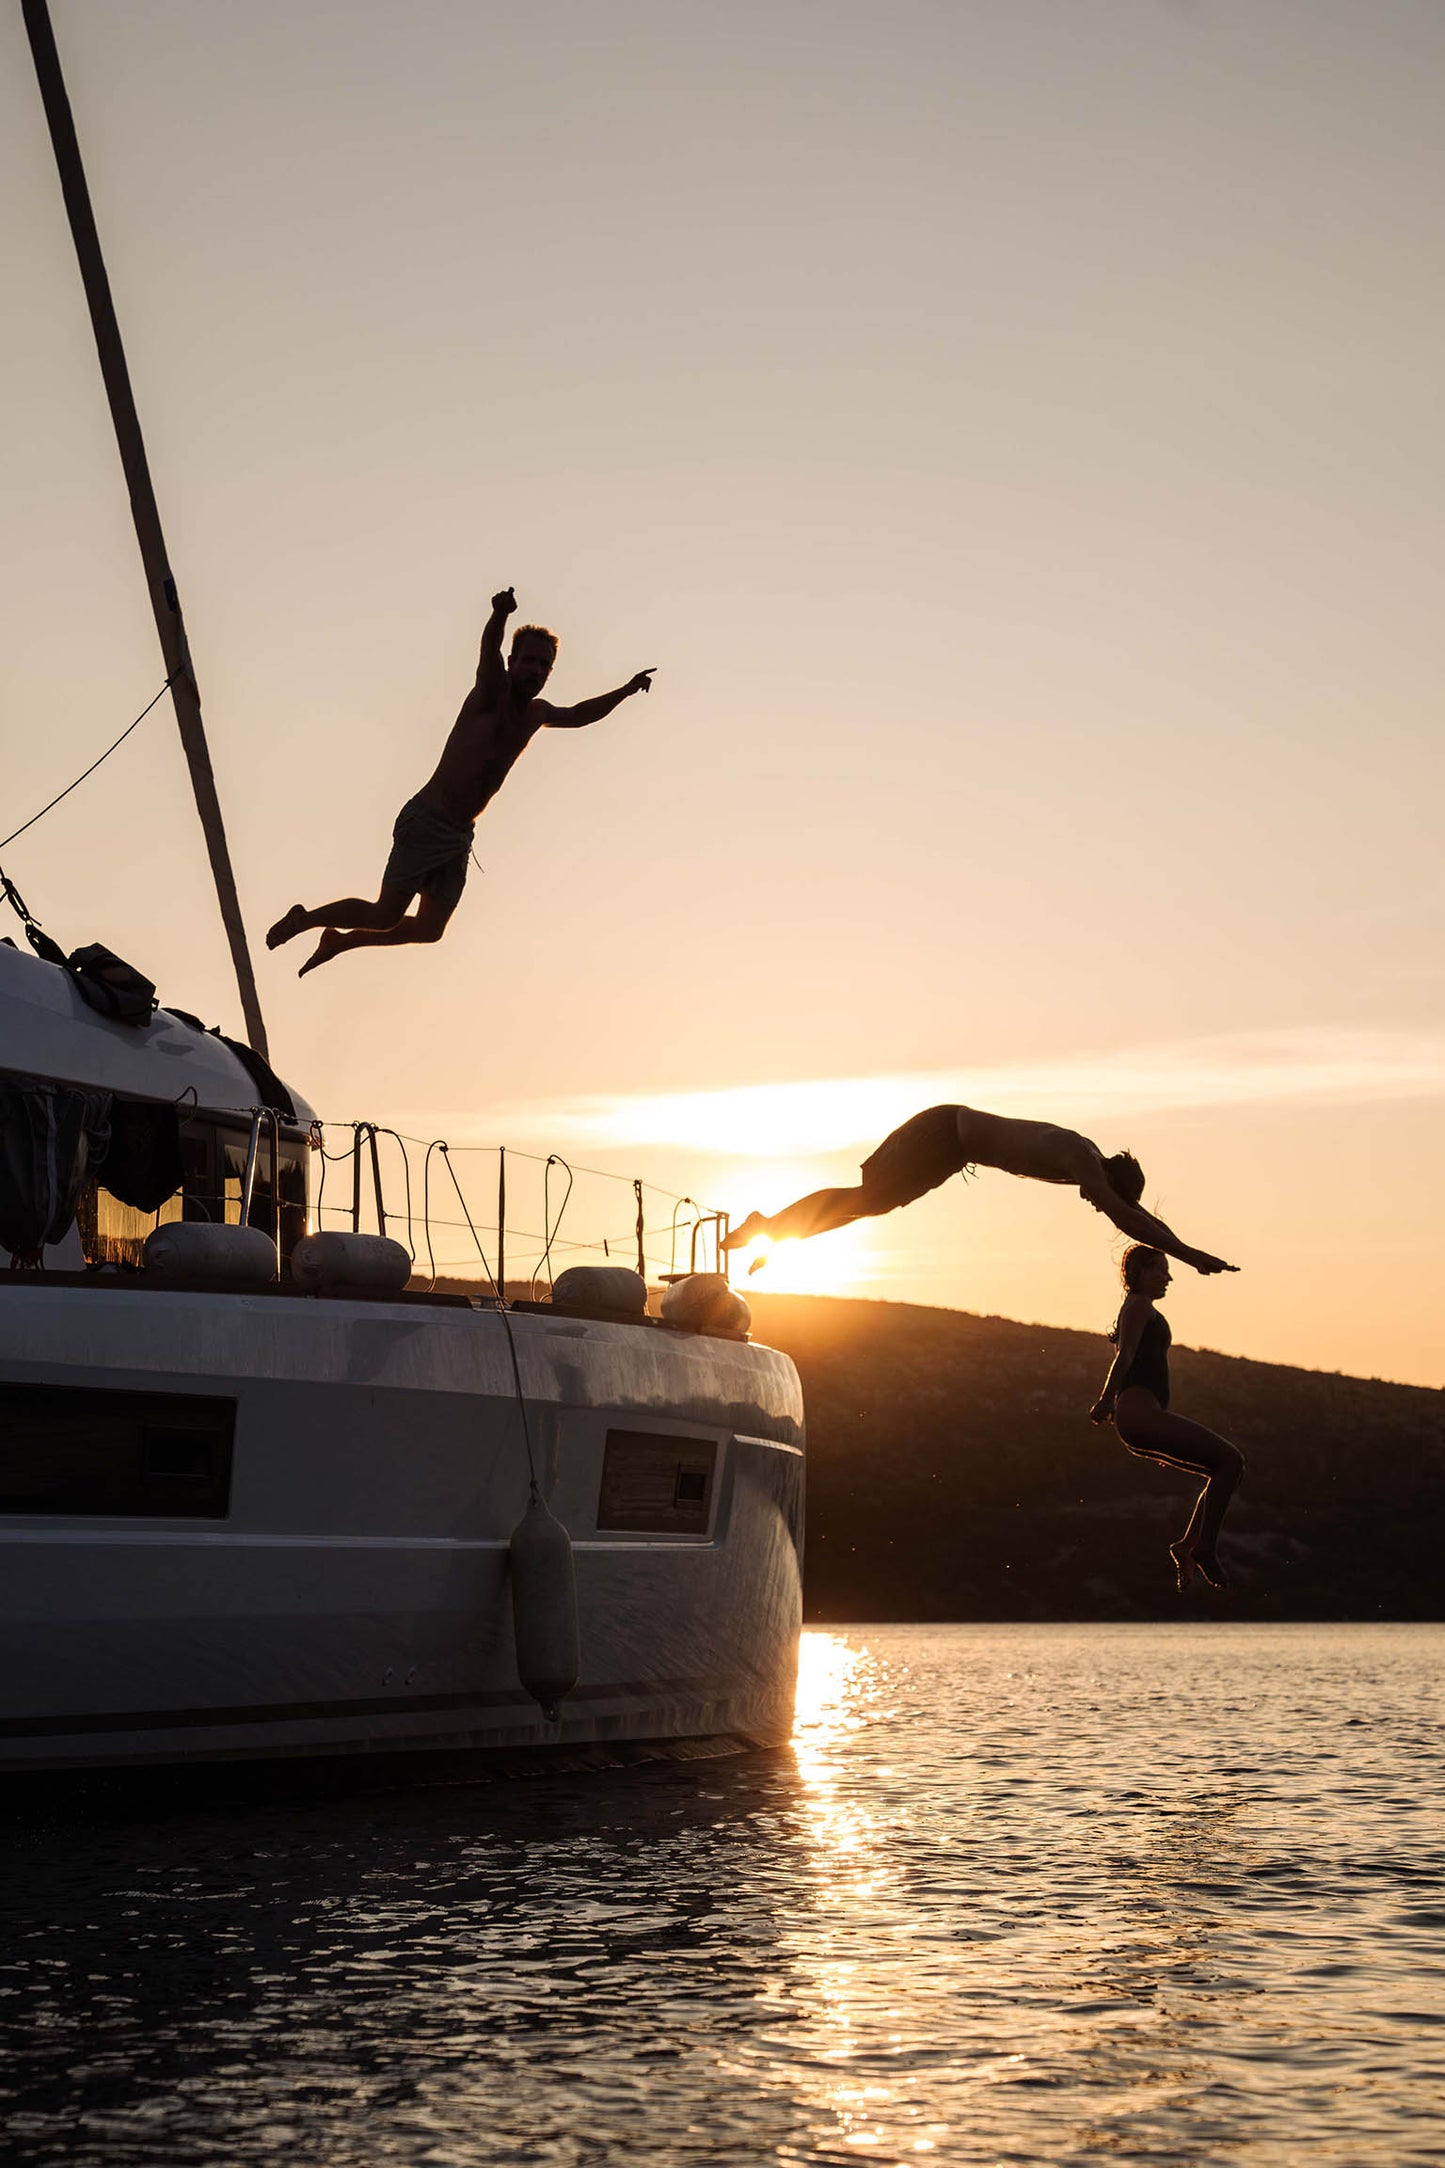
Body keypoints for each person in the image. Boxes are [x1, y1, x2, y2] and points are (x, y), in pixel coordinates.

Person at [267, 587, 655, 976]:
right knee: (385, 914)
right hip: (427, 820)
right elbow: (487, 651)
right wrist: (499, 615)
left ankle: (341, 940)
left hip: (458, 836)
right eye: (530, 662)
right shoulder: (491, 693)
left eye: (545, 666)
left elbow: (580, 714)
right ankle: (307, 918)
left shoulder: (537, 713)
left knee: (430, 929)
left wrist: (625, 689)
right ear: (512, 662)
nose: (537, 672)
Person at [724, 1103, 1238, 1275]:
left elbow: (1140, 1217)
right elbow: (1130, 1219)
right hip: (944, 1132)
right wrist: (1189, 1256)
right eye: (1104, 1196)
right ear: (1110, 1179)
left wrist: (1187, 1248)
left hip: (951, 1148)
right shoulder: (1083, 1160)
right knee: (868, 1199)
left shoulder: (1087, 1162)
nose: (1094, 1203)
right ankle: (766, 1226)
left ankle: (774, 1233)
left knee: (870, 1207)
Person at [1089, 1244, 1245, 1589]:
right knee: (1230, 1461)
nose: (1168, 1277)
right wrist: (1105, 1400)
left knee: (1225, 1469)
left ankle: (1187, 1546)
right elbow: (1125, 1355)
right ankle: (1202, 1547)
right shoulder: (1139, 1305)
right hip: (1139, 1414)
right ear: (1139, 1274)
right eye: (1160, 1270)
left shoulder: (1139, 1307)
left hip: (1144, 1416)